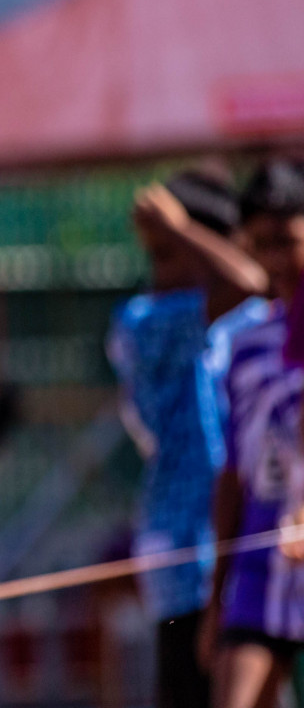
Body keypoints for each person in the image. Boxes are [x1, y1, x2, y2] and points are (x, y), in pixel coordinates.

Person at [105, 170, 270, 708]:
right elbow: (250, 280)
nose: (158, 271)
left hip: (222, 545)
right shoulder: (149, 318)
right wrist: (182, 233)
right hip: (185, 555)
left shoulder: (235, 325)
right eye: (157, 253)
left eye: (171, 252)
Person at [204, 159, 304, 708]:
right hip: (264, 568)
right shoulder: (243, 346)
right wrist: (217, 595)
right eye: (261, 244)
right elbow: (235, 470)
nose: (276, 261)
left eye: (287, 241)